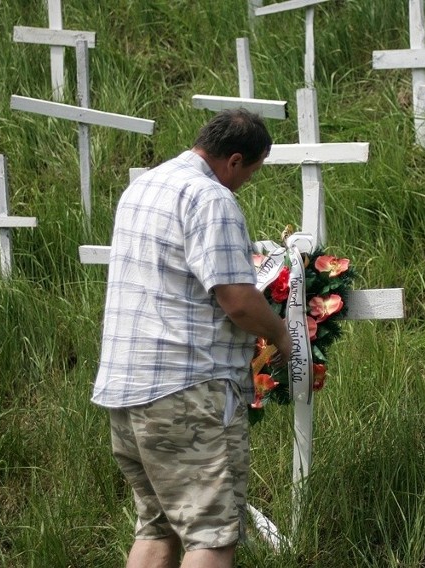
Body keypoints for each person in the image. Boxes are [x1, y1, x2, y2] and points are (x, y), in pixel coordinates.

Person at [92, 108, 293, 568]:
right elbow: (237, 298)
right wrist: (280, 333)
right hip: (187, 392)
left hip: (127, 391)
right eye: (251, 173)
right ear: (235, 160)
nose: (243, 184)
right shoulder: (210, 197)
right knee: (212, 537)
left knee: (156, 528)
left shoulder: (144, 186)